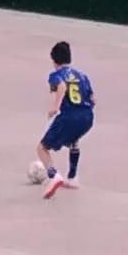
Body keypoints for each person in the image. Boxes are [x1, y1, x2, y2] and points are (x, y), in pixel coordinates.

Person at [39, 41, 95, 198]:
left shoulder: (55, 75)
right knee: (74, 140)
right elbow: (93, 99)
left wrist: (55, 106)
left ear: (54, 61)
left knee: (42, 148)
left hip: (69, 116)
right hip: (87, 116)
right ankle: (72, 177)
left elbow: (62, 87)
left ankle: (53, 175)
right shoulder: (82, 75)